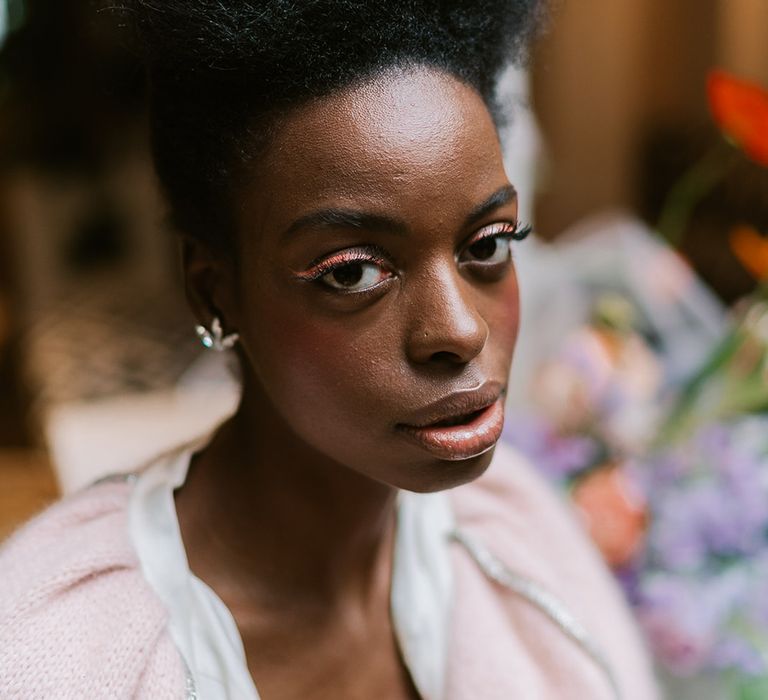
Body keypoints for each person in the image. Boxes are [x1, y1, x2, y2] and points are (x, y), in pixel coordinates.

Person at [0, 1, 660, 698]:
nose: (460, 330)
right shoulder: (55, 653)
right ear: (213, 291)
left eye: (487, 244)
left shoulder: (519, 540)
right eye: (352, 271)